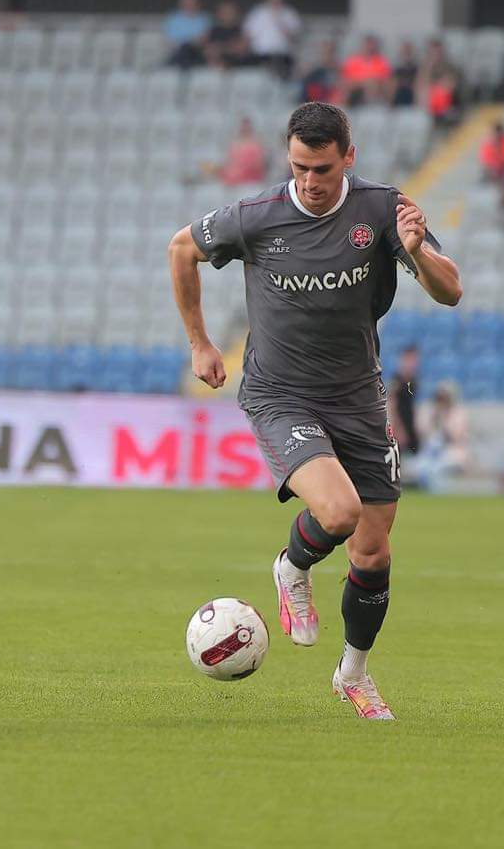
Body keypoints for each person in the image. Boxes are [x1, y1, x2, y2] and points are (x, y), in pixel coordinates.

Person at [168, 102, 462, 720]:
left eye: (322, 168)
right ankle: (292, 566)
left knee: (373, 551)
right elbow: (181, 249)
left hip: (358, 397)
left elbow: (450, 291)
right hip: (281, 394)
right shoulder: (255, 217)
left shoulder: (383, 211)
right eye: (299, 167)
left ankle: (353, 673)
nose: (309, 180)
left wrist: (417, 252)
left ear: (348, 158)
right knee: (339, 511)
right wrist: (199, 342)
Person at [414, 383, 469, 493]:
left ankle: (441, 491)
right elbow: (421, 434)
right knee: (420, 467)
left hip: (451, 451)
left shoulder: (458, 413)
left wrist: (444, 419)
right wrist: (434, 418)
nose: (441, 402)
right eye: (439, 398)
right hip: (430, 452)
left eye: (444, 398)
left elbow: (455, 437)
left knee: (436, 468)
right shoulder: (429, 412)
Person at [243, 0, 301, 77]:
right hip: (261, 53)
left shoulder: (289, 13)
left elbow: (294, 35)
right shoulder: (257, 12)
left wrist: (279, 20)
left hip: (282, 53)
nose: (274, 0)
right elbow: (248, 33)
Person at [197, 117, 267, 187]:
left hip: (248, 175)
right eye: (243, 128)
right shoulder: (236, 143)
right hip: (234, 172)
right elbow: (231, 161)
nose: (244, 130)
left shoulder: (256, 144)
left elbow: (258, 164)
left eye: (246, 128)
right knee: (212, 167)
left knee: (224, 172)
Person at [164, 0, 211, 70]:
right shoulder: (173, 19)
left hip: (198, 52)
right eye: (186, 2)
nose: (189, 4)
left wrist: (191, 42)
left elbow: (204, 39)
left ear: (197, 3)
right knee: (184, 49)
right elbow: (171, 42)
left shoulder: (205, 18)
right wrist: (188, 42)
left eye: (192, 2)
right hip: (178, 52)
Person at [339, 35, 393, 106]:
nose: (369, 48)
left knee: (373, 84)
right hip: (355, 86)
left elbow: (385, 77)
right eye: (368, 45)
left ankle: (371, 107)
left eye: (372, 45)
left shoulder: (381, 61)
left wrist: (370, 81)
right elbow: (346, 78)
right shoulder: (353, 61)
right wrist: (362, 82)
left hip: (375, 87)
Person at [387, 345, 420, 455]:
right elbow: (391, 405)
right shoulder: (396, 380)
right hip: (400, 427)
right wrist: (398, 429)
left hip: (410, 425)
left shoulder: (413, 381)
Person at [206, 0, 251, 68]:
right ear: (218, 14)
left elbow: (242, 47)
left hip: (238, 66)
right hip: (216, 67)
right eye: (224, 12)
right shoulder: (213, 30)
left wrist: (223, 48)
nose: (227, 14)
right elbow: (209, 49)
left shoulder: (240, 29)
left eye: (230, 12)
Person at [299, 40, 341, 104]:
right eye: (324, 52)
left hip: (329, 98)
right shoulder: (315, 69)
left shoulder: (335, 68)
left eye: (328, 52)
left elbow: (335, 84)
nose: (325, 54)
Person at [391, 41, 419, 107]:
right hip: (399, 95)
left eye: (408, 52)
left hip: (412, 94)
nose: (406, 55)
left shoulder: (417, 69)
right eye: (405, 52)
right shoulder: (396, 70)